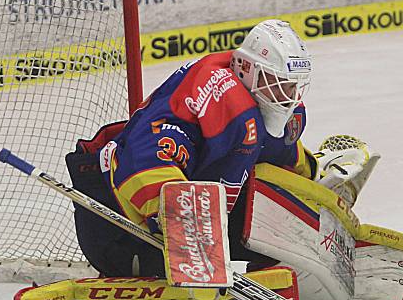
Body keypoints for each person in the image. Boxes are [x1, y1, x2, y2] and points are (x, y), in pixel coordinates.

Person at [66, 19, 317, 277]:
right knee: (161, 239)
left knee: (262, 193)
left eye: (292, 86)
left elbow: (277, 153)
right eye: (278, 83)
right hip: (120, 231)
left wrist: (315, 178)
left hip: (198, 227)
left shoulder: (258, 106)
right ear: (246, 67)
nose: (288, 95)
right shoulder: (200, 112)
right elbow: (141, 167)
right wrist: (186, 225)